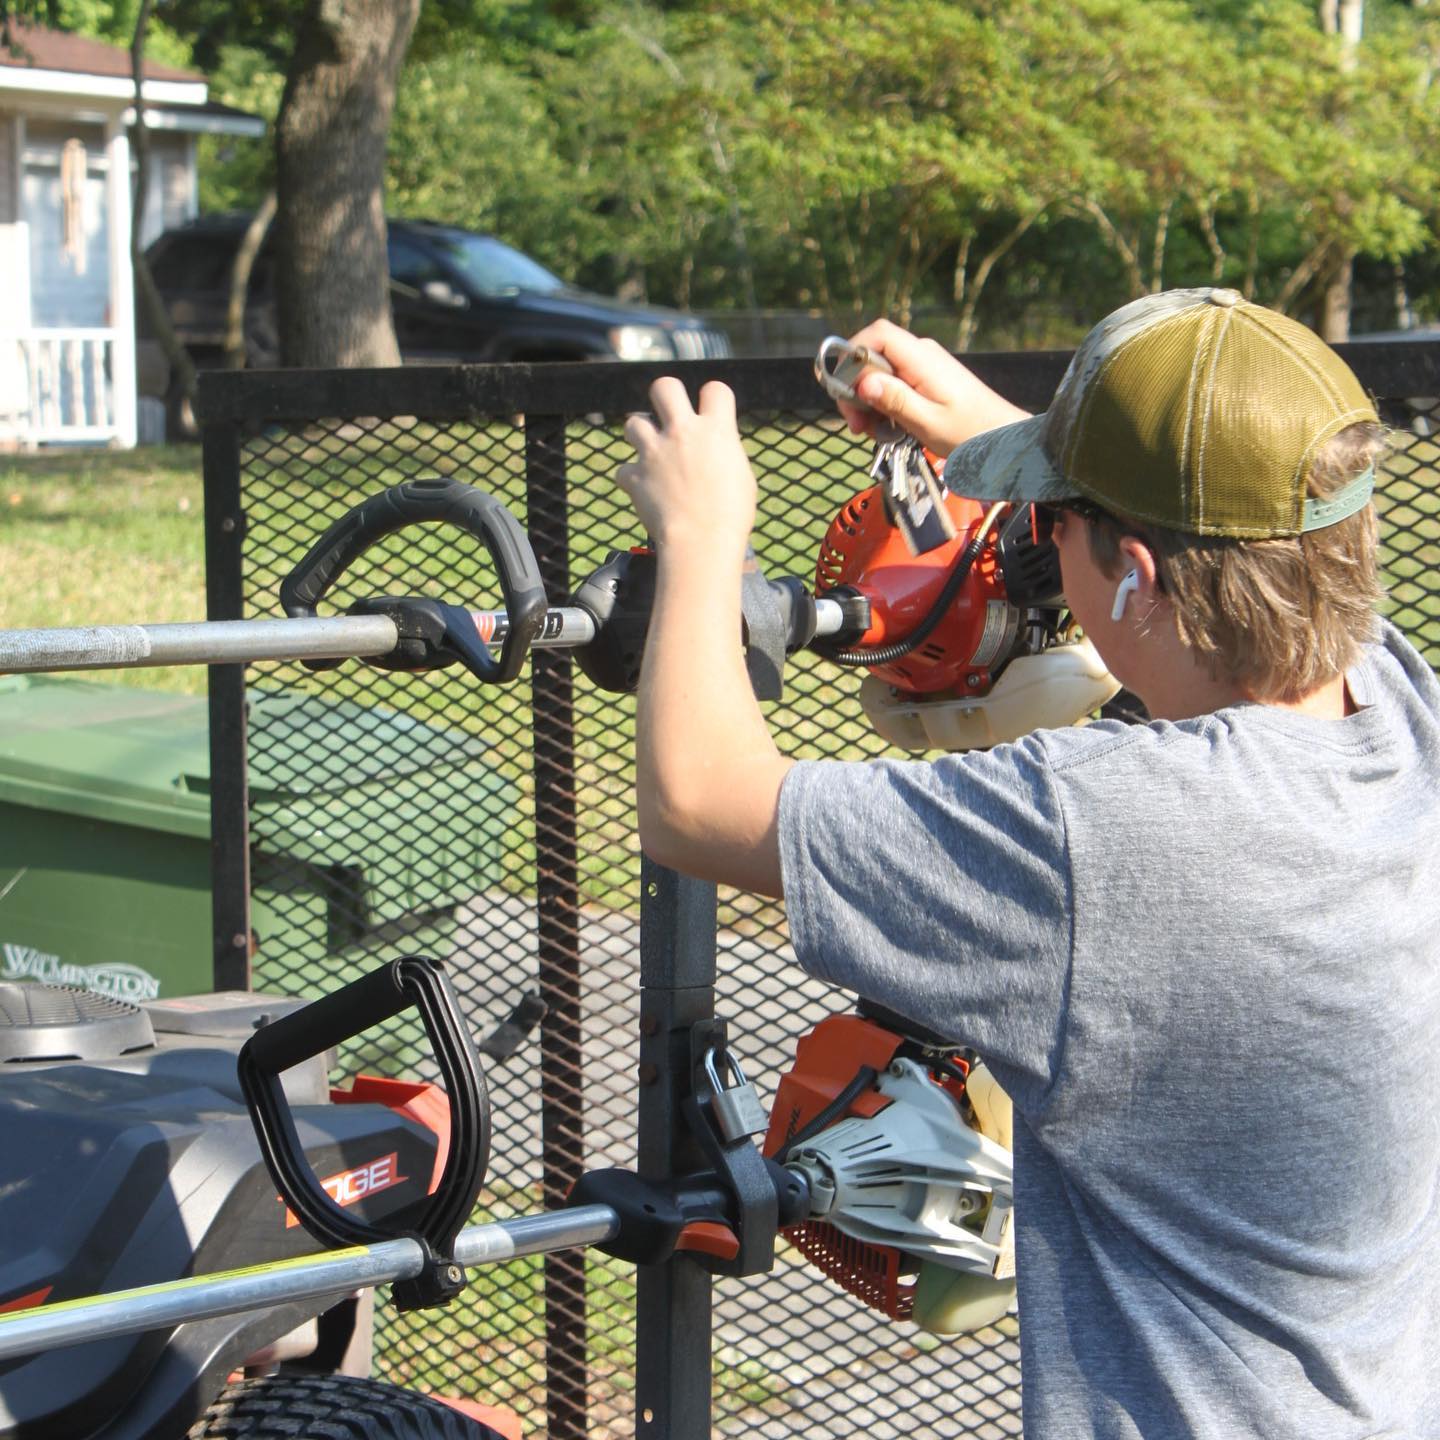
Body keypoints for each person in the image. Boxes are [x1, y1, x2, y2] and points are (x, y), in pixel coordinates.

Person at [614, 287, 1440, 1439]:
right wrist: (1031, 445)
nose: (1032, 540)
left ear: (1139, 575)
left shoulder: (1103, 834)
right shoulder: (1399, 715)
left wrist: (702, 537)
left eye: (1050, 522)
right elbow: (1227, 517)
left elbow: (696, 800)